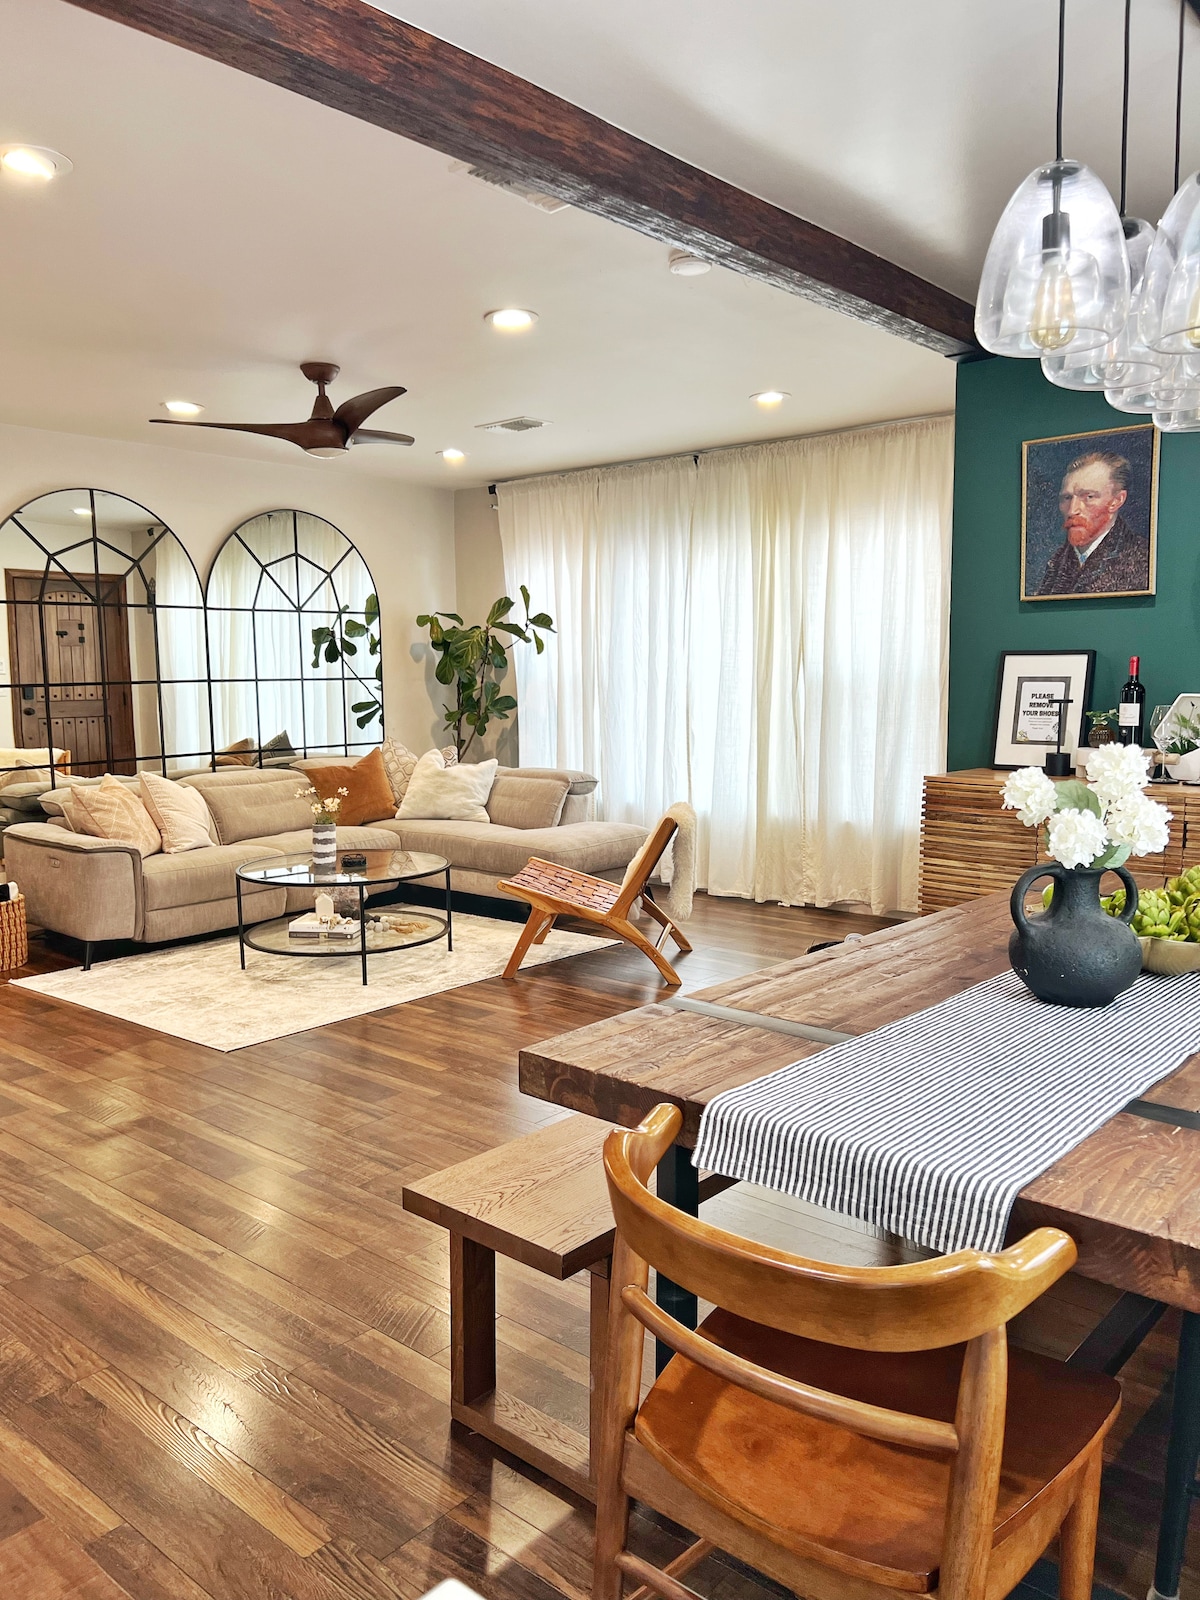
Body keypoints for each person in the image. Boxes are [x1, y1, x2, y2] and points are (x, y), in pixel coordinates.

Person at [1035, 450, 1150, 596]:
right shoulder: (1055, 563)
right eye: (1067, 498)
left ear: (1116, 501)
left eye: (1089, 497)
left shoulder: (1141, 559)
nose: (1072, 510)